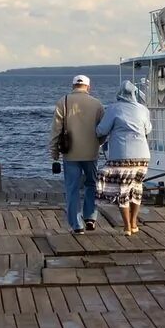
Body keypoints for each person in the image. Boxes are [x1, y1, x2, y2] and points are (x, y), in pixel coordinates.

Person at [96, 81, 153, 235]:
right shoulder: (143, 109)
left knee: (123, 190)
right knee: (137, 189)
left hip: (121, 156)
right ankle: (134, 223)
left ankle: (127, 226)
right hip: (142, 155)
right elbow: (148, 128)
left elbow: (101, 130)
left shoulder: (114, 109)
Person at [49, 74, 104, 233]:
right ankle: (90, 217)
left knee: (72, 188)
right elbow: (103, 130)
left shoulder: (63, 102)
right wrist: (98, 143)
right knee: (91, 185)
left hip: (70, 153)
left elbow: (55, 130)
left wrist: (54, 152)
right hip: (91, 152)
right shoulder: (97, 104)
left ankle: (76, 224)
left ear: (73, 86)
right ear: (88, 86)